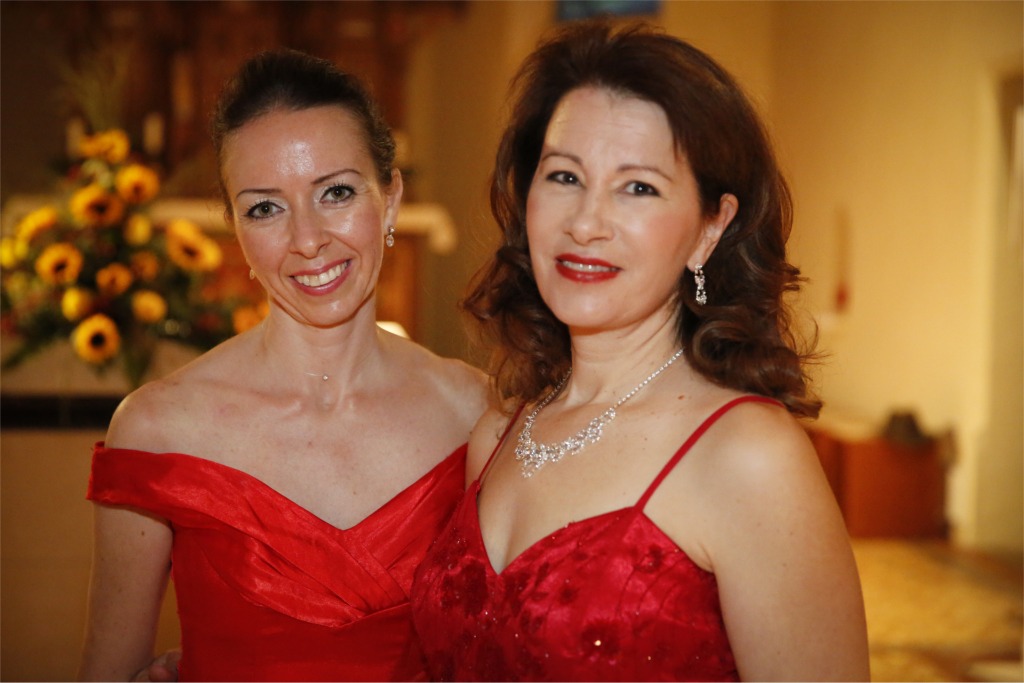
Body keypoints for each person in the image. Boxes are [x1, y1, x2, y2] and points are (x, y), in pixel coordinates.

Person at [410, 19, 870, 682]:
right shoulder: (499, 434)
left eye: (639, 187)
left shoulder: (749, 456)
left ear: (711, 228)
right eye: (564, 176)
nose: (585, 222)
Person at [78, 49, 487, 681]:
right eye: (265, 208)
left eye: (336, 193)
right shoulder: (158, 429)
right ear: (234, 228)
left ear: (391, 199)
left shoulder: (476, 413)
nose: (308, 239)